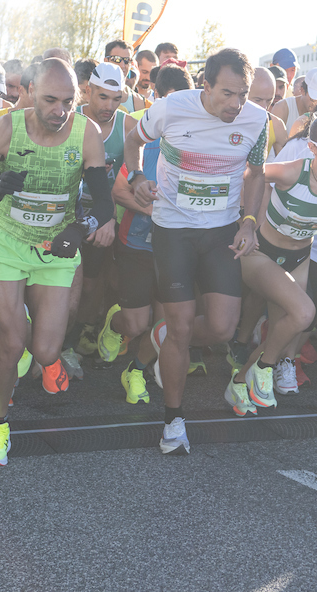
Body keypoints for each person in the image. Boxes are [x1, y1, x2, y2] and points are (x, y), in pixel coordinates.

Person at [0, 59, 116, 466]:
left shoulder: (87, 132)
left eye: (67, 102)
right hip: (6, 242)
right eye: (49, 100)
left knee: (44, 351)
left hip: (55, 247)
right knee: (11, 341)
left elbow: (105, 202)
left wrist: (79, 231)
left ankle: (37, 345)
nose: (59, 111)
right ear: (29, 92)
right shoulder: (7, 127)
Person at [123, 48, 269, 455]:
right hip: (173, 229)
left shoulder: (258, 119)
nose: (236, 104)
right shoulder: (172, 107)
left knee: (222, 328)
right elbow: (132, 139)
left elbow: (256, 173)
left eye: (242, 94)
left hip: (221, 230)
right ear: (205, 86)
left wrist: (250, 221)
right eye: (226, 94)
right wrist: (137, 176)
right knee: (183, 326)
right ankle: (173, 420)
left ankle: (164, 337)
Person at [226, 113, 317, 413]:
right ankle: (263, 369)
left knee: (283, 334)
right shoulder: (292, 172)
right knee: (305, 312)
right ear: (313, 148)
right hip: (262, 253)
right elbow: (253, 175)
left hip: (300, 259)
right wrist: (250, 222)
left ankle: (239, 383)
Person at [101, 65, 192, 402]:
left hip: (178, 248)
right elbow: (119, 191)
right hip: (137, 241)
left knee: (167, 322)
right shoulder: (146, 137)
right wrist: (156, 213)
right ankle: (115, 324)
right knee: (136, 323)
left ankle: (136, 371)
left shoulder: (202, 144)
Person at [71, 63, 132, 357]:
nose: (109, 106)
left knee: (93, 280)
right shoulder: (71, 120)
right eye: (102, 97)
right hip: (69, 208)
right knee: (68, 278)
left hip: (107, 208)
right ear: (88, 91)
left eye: (116, 98)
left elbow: (138, 172)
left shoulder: (128, 126)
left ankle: (84, 327)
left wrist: (108, 216)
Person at [103, 39, 147, 113]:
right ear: (106, 61)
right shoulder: (92, 92)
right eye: (117, 59)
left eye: (127, 60)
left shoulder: (138, 101)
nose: (122, 65)